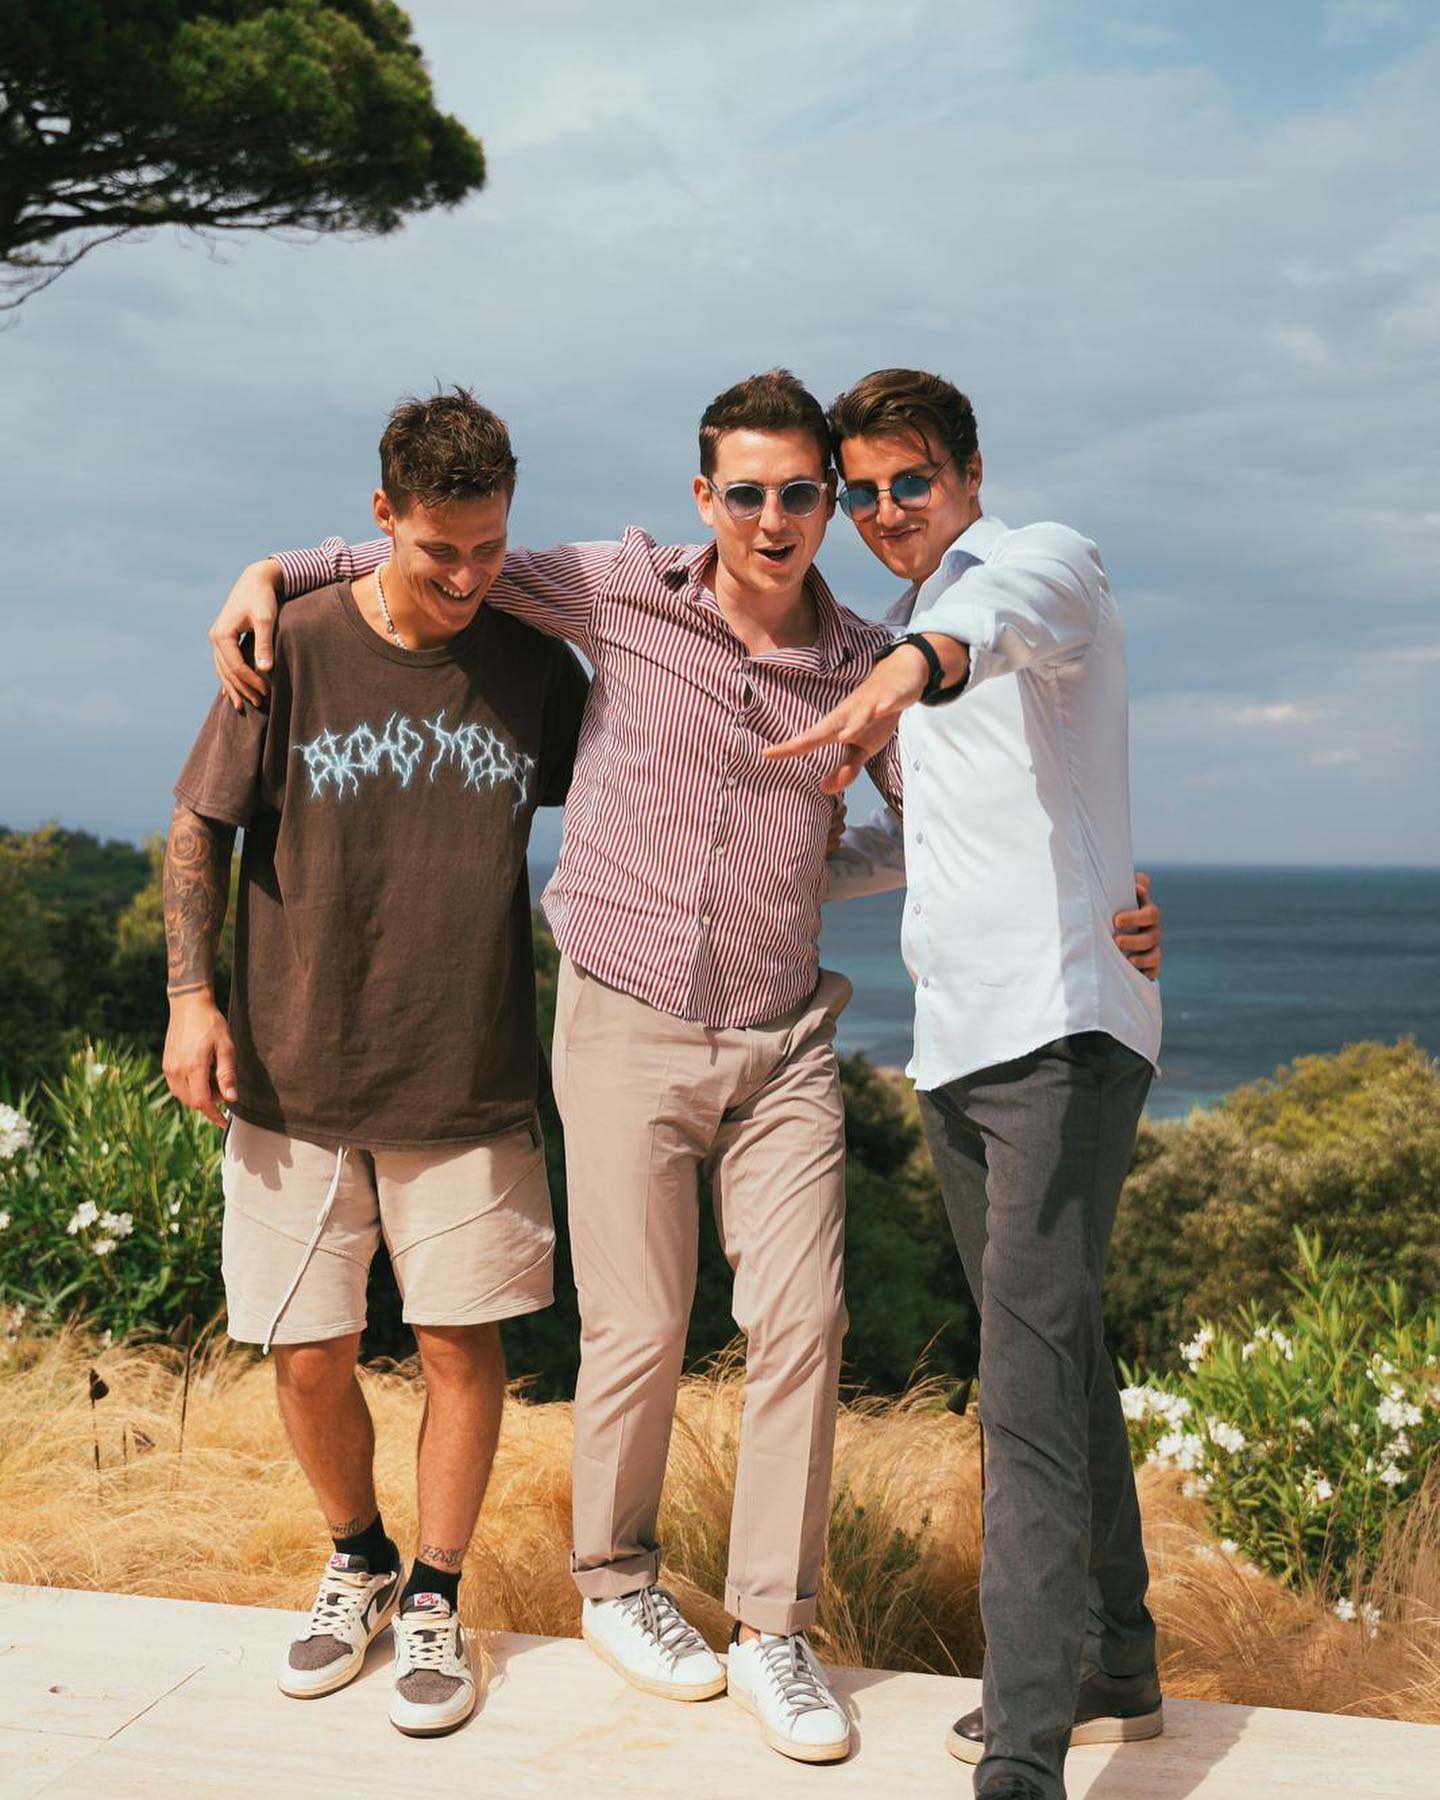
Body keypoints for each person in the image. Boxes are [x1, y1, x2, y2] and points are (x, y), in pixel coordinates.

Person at [207, 370, 1162, 1766]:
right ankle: (618, 1584)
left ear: (824, 506)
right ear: (706, 496)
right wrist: (273, 569)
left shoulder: (868, 657)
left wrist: (1097, 896)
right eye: (750, 492)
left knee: (804, 1321)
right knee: (641, 1326)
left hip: (782, 1036)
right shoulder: (619, 591)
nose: (778, 519)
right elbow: (439, 554)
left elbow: (946, 820)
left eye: (805, 494)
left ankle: (775, 1628)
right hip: (623, 1016)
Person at [163, 389, 589, 1738]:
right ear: (381, 519)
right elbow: (198, 821)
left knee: (461, 1346)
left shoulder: (538, 667)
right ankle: (357, 1557)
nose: (467, 578)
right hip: (293, 1069)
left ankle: (437, 1594)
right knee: (307, 1352)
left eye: (489, 549)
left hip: (466, 1070)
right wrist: (190, 996)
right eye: (438, 550)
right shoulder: (285, 644)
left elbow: (641, 797)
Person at [768, 368, 1164, 1800]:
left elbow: (998, 624)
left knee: (1022, 1383)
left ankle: (1025, 1745)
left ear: (971, 474)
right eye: (863, 492)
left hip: (1060, 1037)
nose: (885, 511)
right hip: (959, 1048)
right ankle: (1116, 1659)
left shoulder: (1041, 567)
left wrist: (908, 668)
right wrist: (773, 861)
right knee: (1052, 1353)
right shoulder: (913, 631)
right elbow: (936, 844)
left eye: (911, 483)